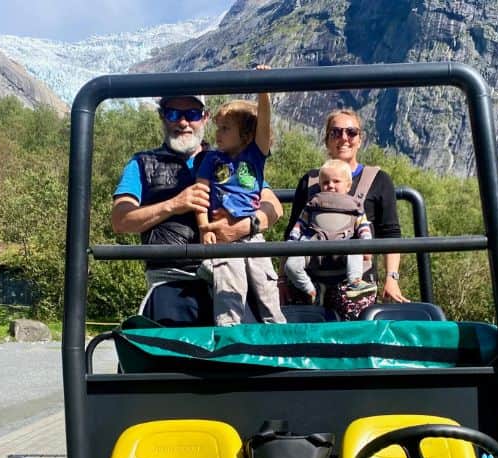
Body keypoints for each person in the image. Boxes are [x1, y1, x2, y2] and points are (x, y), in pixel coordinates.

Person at [111, 94, 283, 325]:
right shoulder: (143, 163)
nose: (183, 123)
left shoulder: (231, 158)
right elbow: (121, 220)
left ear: (204, 118)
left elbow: (273, 207)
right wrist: (173, 205)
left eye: (191, 114)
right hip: (173, 278)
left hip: (230, 268)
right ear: (163, 117)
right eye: (173, 114)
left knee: (253, 331)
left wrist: (246, 226)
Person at [286, 109, 409, 319]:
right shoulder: (310, 181)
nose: (344, 138)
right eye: (336, 132)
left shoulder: (379, 180)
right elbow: (292, 231)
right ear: (327, 140)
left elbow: (390, 233)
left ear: (360, 140)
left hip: (356, 281)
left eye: (351, 132)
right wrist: (282, 279)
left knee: (354, 337)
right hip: (309, 277)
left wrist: (392, 278)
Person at [194, 77, 285, 326]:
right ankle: (228, 339)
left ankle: (278, 337)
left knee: (266, 287)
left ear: (245, 134)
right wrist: (204, 227)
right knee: (229, 291)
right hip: (222, 234)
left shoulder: (254, 156)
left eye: (225, 128)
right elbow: (200, 194)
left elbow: (264, 124)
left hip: (252, 236)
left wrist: (263, 90)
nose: (218, 134)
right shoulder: (211, 160)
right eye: (218, 128)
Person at [284, 159, 377, 303]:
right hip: (314, 245)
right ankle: (310, 289)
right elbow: (300, 224)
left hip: (344, 246)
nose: (331, 186)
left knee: (356, 250)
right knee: (291, 265)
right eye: (326, 182)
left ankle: (355, 282)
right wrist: (292, 241)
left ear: (348, 186)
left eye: (336, 181)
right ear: (320, 185)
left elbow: (363, 226)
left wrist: (367, 245)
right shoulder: (313, 204)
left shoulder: (354, 206)